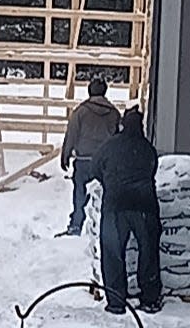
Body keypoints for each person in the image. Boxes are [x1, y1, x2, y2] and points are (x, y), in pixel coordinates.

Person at [92, 108, 163, 315]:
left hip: (115, 205)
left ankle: (116, 301)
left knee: (113, 253)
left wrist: (110, 181)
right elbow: (153, 169)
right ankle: (149, 298)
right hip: (144, 206)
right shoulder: (146, 148)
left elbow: (95, 168)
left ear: (122, 125)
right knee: (148, 252)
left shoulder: (109, 146)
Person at [60, 76, 120, 236]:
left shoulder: (80, 112)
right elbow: (117, 137)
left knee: (80, 192)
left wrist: (65, 154)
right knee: (104, 194)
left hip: (83, 160)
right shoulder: (114, 113)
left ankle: (77, 224)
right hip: (105, 162)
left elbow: (72, 134)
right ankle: (102, 225)